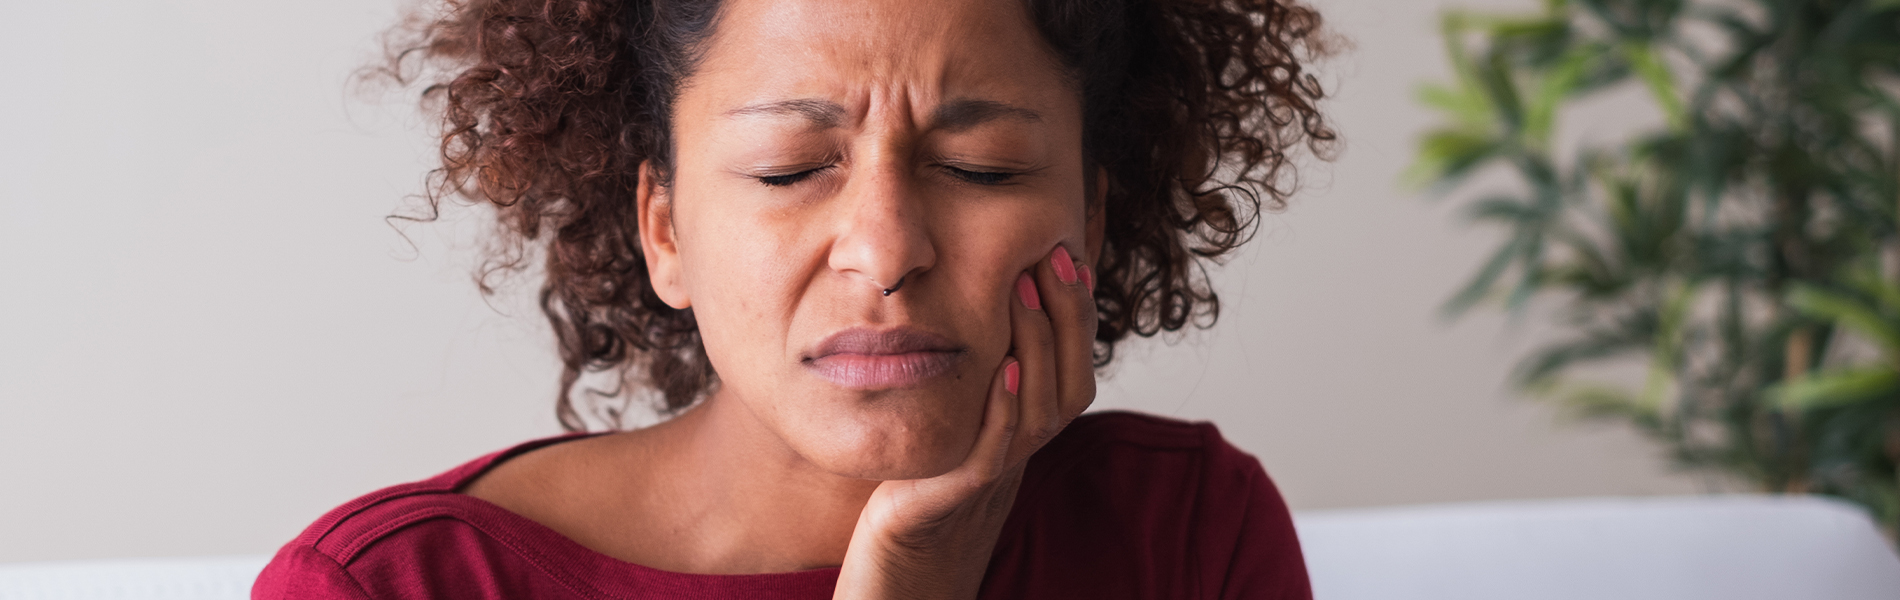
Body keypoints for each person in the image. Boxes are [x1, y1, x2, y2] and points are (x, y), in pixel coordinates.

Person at [254, 0, 1334, 596]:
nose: (884, 250)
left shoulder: (1183, 538)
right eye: (788, 168)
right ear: (664, 229)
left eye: (982, 168)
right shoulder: (397, 590)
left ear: (1088, 224)